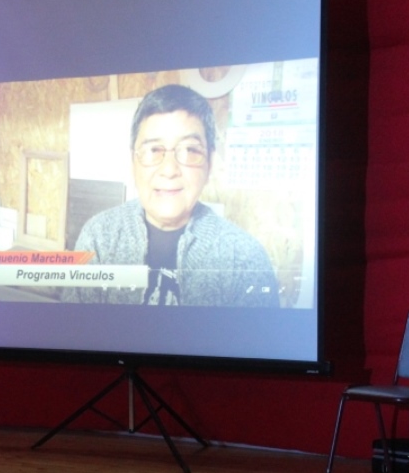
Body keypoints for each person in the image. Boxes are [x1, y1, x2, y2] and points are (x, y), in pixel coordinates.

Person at [63, 84, 279, 307]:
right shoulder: (98, 237)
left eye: (190, 150)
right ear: (133, 162)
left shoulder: (245, 259)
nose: (169, 170)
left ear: (210, 164)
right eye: (153, 150)